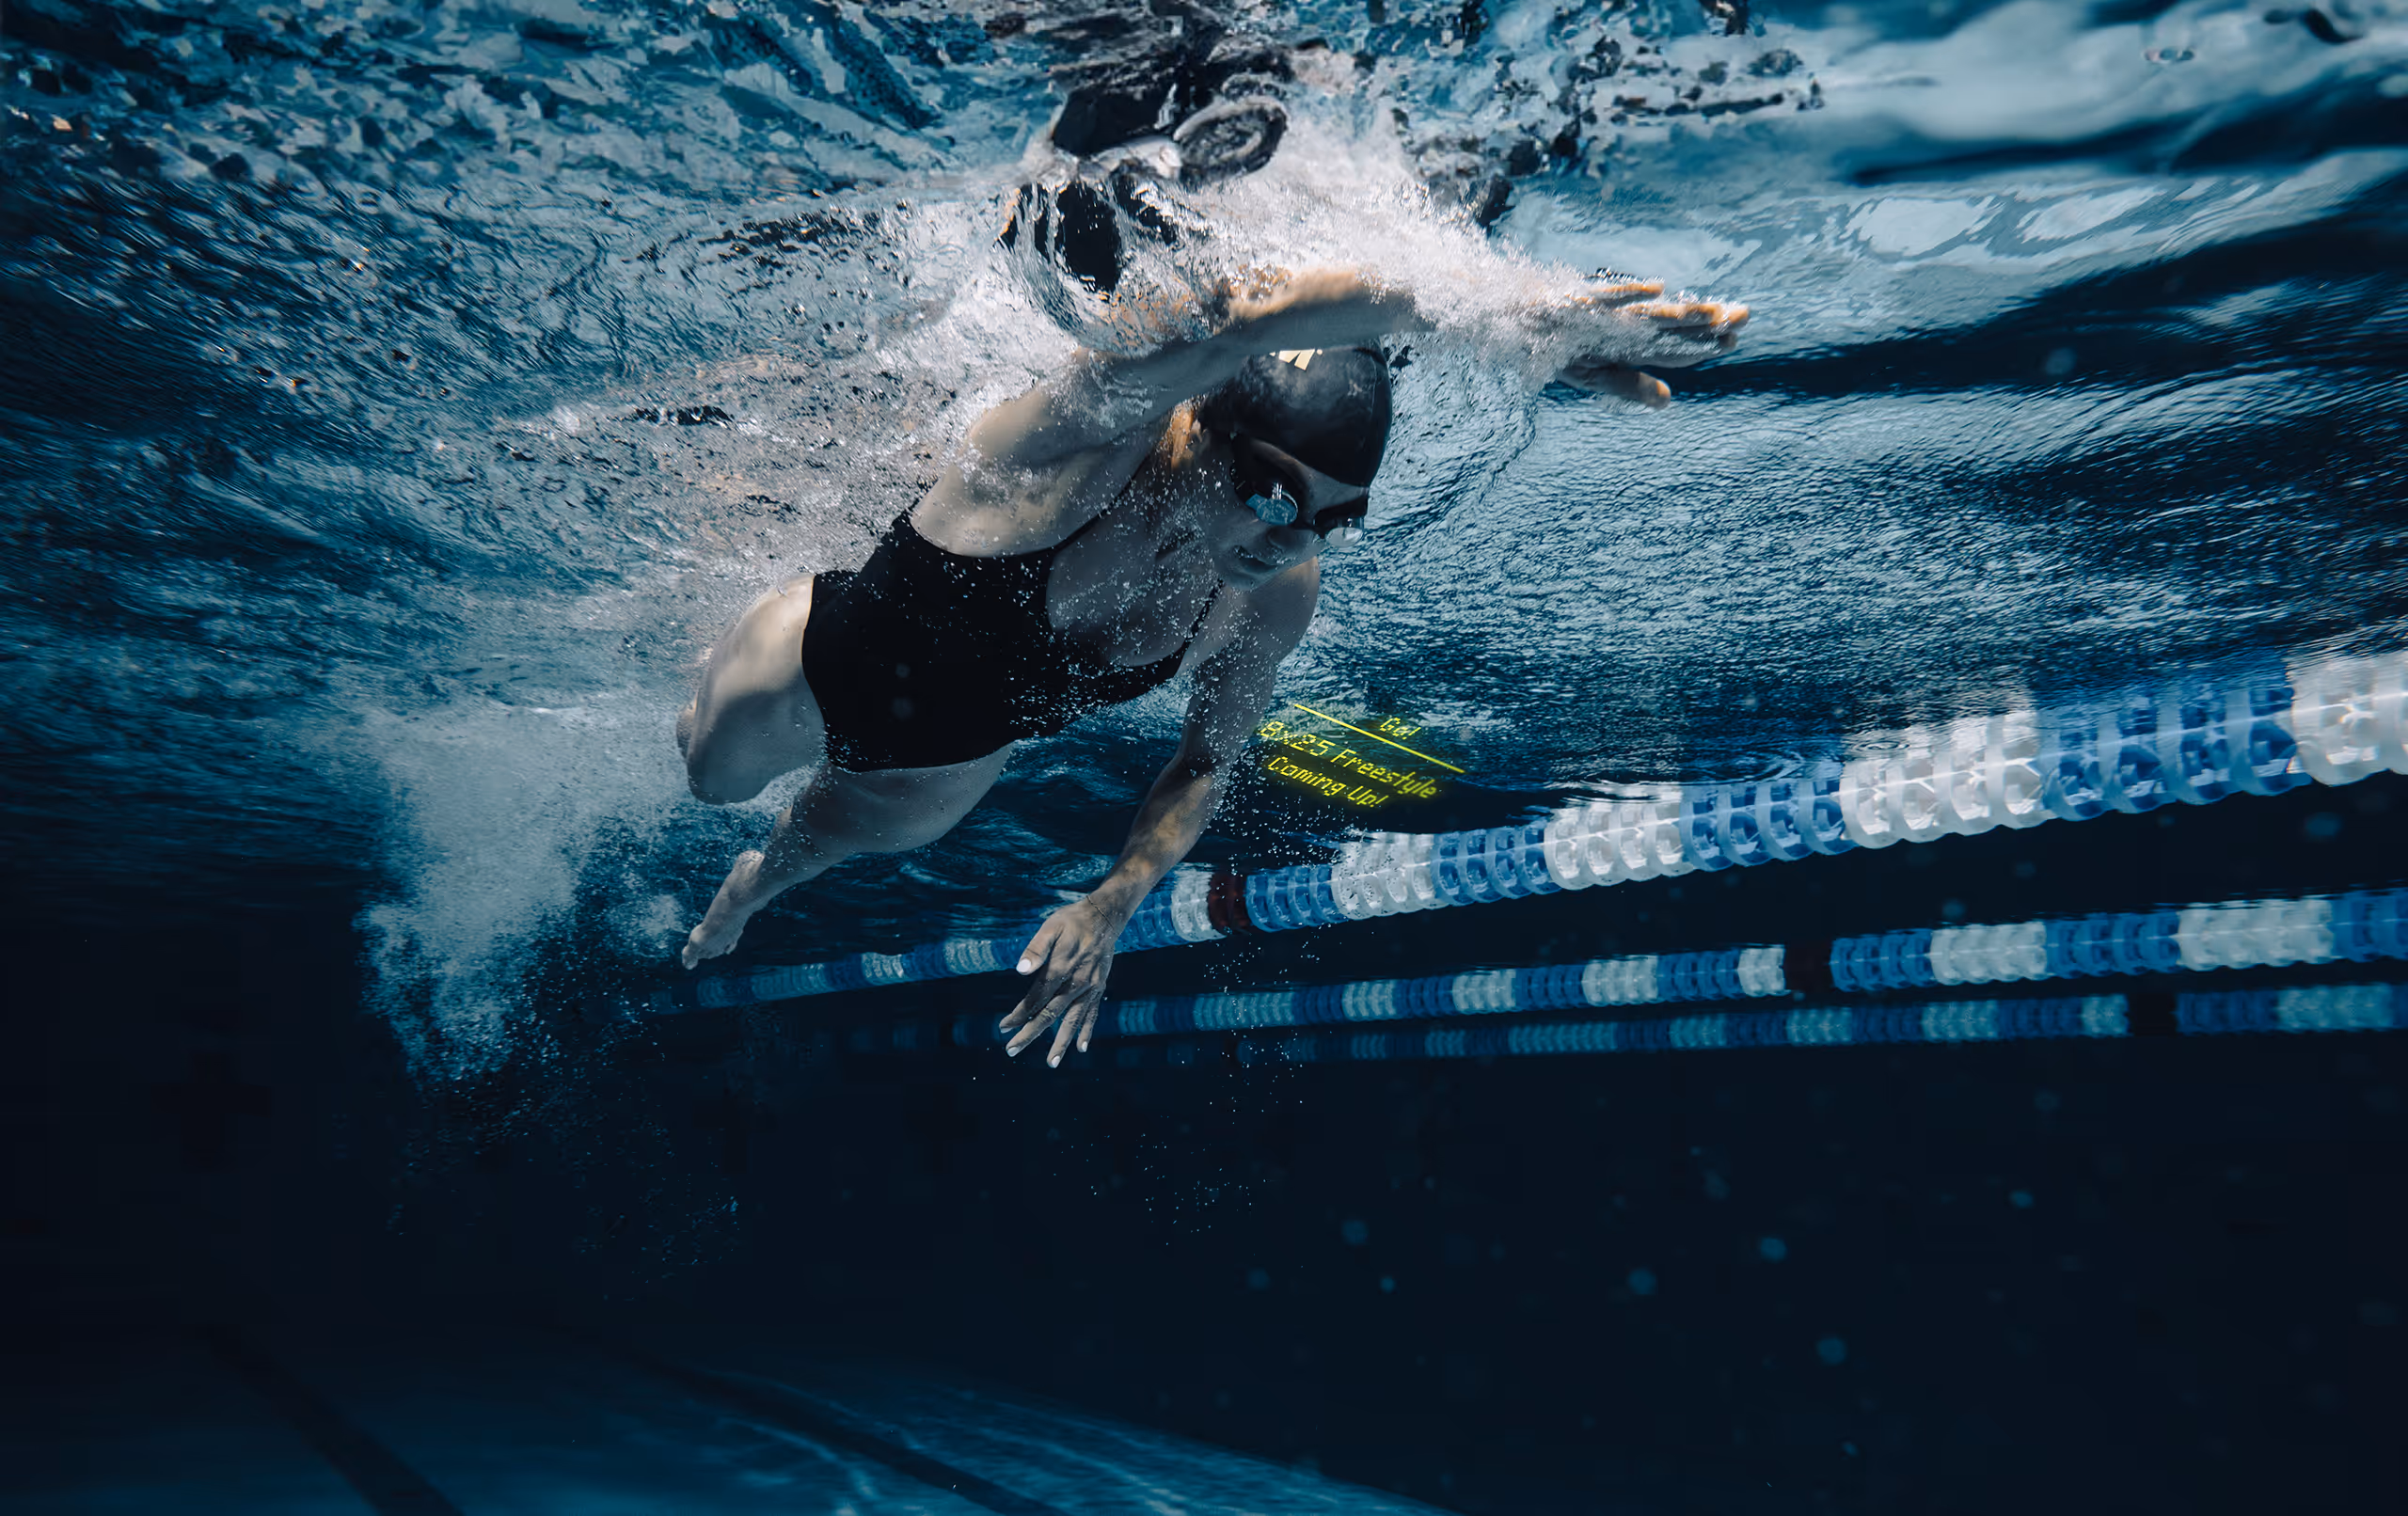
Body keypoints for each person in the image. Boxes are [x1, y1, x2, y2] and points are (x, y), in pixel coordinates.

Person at [676, 264, 1748, 1066]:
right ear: (1202, 432)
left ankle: (749, 889)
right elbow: (1240, 320)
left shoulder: (1269, 593)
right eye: (1278, 495)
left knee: (793, 861)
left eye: (1333, 520)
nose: (1292, 540)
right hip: (813, 666)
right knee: (706, 775)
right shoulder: (1075, 445)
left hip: (948, 762)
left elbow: (1204, 762)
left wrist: (1115, 897)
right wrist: (1503, 318)